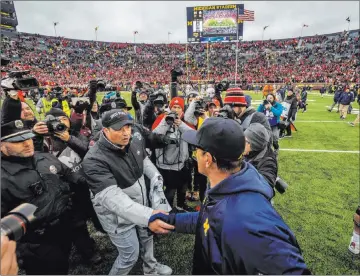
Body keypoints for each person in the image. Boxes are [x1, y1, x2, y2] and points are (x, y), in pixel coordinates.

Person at [149, 117, 310, 275]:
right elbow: (209, 219)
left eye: (197, 149)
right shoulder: (228, 185)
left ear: (208, 159)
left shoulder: (245, 220)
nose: (194, 153)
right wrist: (170, 220)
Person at [82, 109, 173, 275]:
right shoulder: (93, 159)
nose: (126, 133)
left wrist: (155, 177)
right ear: (105, 130)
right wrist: (149, 215)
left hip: (141, 204)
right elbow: (114, 199)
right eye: (119, 129)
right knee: (129, 254)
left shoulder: (133, 141)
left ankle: (150, 269)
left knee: (147, 238)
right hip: (117, 217)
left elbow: (143, 160)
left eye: (128, 127)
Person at [1, 120, 75, 274]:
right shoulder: (2, 179)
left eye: (28, 138)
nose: (27, 143)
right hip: (37, 243)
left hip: (64, 227)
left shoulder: (44, 157)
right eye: (18, 141)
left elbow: (71, 178)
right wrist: (22, 251)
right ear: (2, 146)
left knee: (63, 265)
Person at [153, 97, 194, 211]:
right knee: (170, 191)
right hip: (167, 164)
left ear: (183, 110)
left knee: (183, 188)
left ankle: (181, 206)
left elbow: (194, 136)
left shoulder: (185, 122)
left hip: (182, 163)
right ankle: (168, 211)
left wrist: (180, 125)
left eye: (179, 107)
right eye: (174, 107)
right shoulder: (162, 119)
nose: (176, 110)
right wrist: (166, 122)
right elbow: (154, 136)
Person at [243, 123, 277, 190]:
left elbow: (267, 184)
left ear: (254, 145)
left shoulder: (268, 162)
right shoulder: (250, 152)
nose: (241, 143)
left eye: (245, 141)